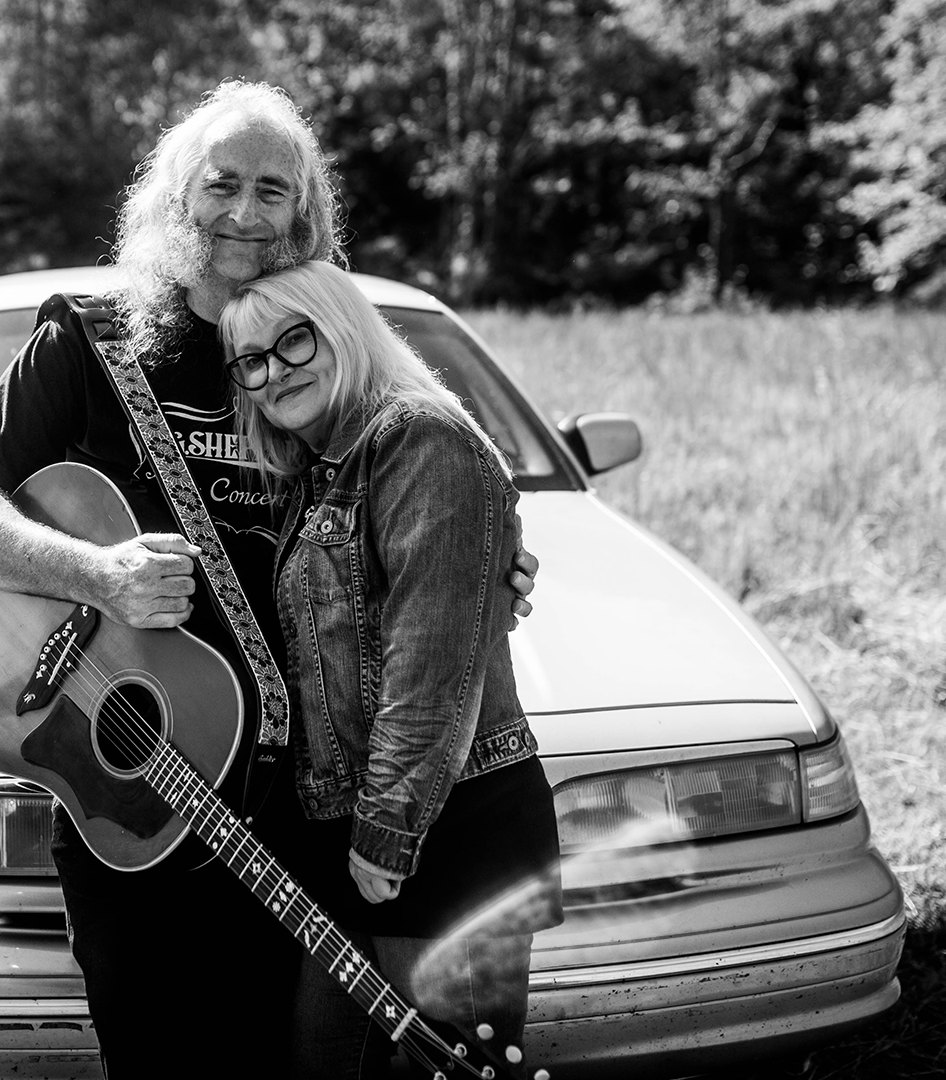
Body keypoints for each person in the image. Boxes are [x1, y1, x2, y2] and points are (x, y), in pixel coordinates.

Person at [0, 80, 535, 1077]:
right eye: (223, 185)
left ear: (307, 215)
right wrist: (97, 573)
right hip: (130, 794)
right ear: (177, 197)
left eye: (275, 192)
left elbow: (426, 493)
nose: (246, 214)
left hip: (298, 806)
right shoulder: (88, 340)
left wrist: (479, 564)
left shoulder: (324, 354)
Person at [219, 260, 563, 1079]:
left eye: (293, 338)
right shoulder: (323, 471)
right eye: (252, 362)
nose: (273, 374)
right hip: (366, 834)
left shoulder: (418, 438)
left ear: (342, 326)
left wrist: (386, 833)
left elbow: (429, 667)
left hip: (441, 835)